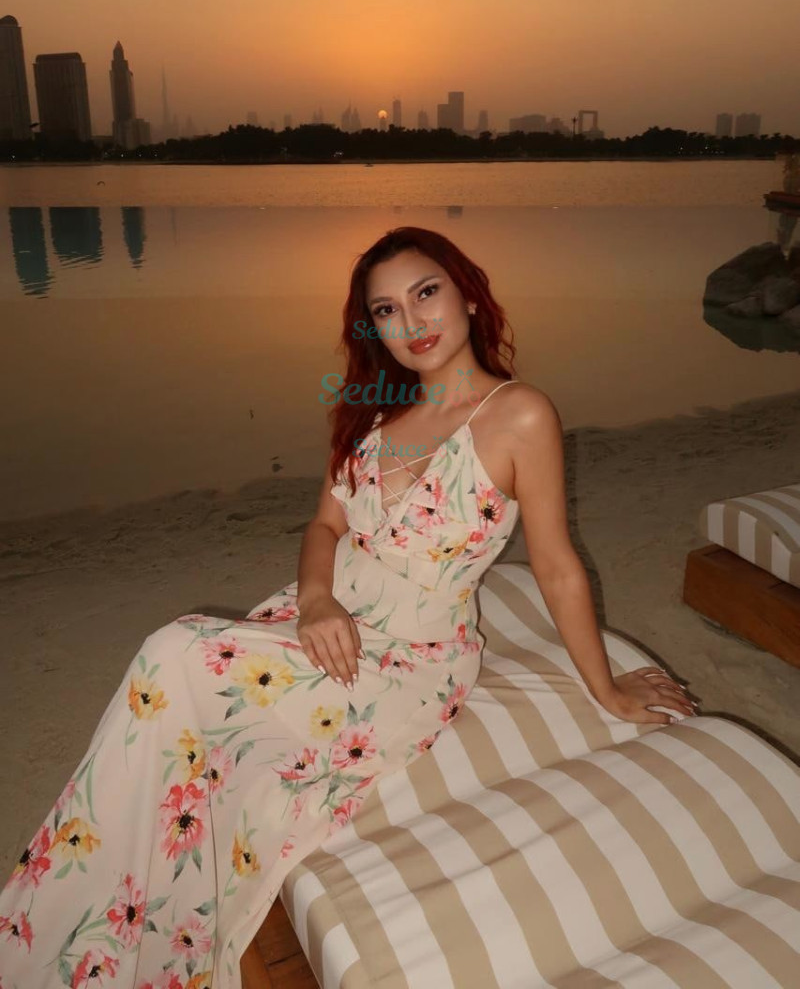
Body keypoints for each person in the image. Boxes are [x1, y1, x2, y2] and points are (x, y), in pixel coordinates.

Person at [0, 226, 696, 988]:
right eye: (387, 310)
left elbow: (557, 565)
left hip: (408, 657)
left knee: (174, 651)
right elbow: (324, 528)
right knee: (173, 686)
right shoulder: (375, 414)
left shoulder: (519, 414)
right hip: (322, 618)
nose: (413, 321)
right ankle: (77, 903)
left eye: (426, 293)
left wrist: (608, 689)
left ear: (468, 294)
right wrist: (316, 599)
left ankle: (84, 926)